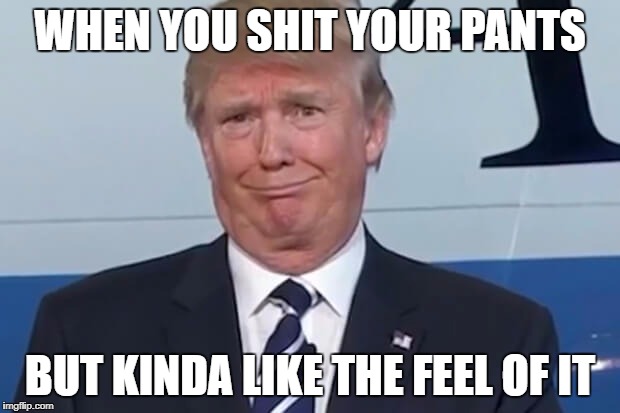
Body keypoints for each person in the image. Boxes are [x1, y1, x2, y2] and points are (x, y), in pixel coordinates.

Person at [14, 0, 563, 411]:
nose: (271, 153)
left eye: (304, 111)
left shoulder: (500, 340)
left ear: (372, 131)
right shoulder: (79, 333)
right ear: (206, 145)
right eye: (238, 119)